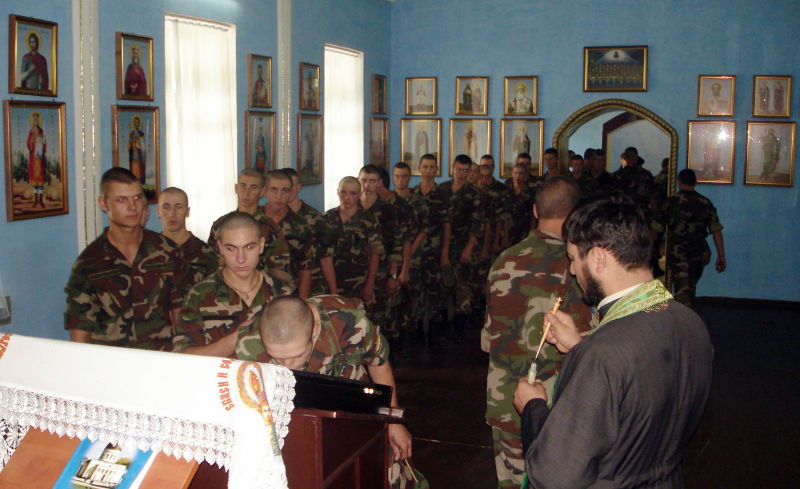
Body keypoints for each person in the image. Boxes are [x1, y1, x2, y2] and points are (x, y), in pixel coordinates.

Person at [513, 196, 713, 489]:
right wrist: (580, 346)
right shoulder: (691, 323)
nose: (572, 270)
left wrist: (533, 407)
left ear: (597, 258)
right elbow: (637, 393)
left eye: (573, 258)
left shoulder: (601, 354)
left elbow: (555, 475)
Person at [484, 176, 591, 489]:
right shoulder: (576, 267)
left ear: (534, 210)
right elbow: (587, 346)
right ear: (575, 215)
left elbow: (489, 338)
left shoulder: (503, 260)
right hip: (552, 403)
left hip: (504, 397)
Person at [235, 295, 413, 483]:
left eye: (297, 356)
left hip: (353, 411)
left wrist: (393, 422)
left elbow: (378, 363)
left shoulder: (348, 321)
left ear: (314, 331)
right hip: (295, 423)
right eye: (278, 359)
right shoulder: (250, 342)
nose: (289, 367)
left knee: (386, 472)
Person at [65, 168, 183, 350]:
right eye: (122, 200)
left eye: (137, 198)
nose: (132, 206)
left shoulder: (168, 251)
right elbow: (80, 338)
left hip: (161, 357)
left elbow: (181, 317)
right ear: (103, 203)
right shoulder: (89, 264)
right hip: (111, 361)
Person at [173, 212, 291, 356]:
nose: (241, 259)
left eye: (249, 247)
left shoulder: (283, 293)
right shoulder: (199, 296)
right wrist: (237, 339)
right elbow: (184, 357)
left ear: (261, 245)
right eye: (231, 249)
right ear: (220, 247)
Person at [652, 169, 726, 309]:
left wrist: (648, 250)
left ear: (679, 182)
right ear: (695, 183)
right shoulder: (705, 202)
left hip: (677, 253)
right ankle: (688, 315)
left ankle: (684, 318)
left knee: (682, 292)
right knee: (690, 289)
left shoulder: (671, 202)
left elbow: (656, 229)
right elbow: (716, 231)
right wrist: (721, 256)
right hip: (698, 253)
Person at [440, 155, 484, 342]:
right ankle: (443, 327)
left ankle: (459, 330)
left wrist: (469, 248)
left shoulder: (474, 193)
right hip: (442, 246)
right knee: (443, 288)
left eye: (466, 170)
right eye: (459, 169)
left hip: (463, 246)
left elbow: (477, 224)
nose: (462, 174)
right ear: (452, 168)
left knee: (463, 289)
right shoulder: (442, 190)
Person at [320, 177, 383, 302]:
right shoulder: (327, 218)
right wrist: (333, 292)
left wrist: (370, 284)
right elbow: (324, 255)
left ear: (359, 194)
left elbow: (375, 254)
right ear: (337, 192)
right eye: (343, 192)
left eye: (352, 193)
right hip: (329, 281)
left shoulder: (368, 220)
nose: (347, 197)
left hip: (359, 282)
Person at [261, 170, 318, 298]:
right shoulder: (253, 221)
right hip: (256, 294)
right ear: (265, 191)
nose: (279, 196)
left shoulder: (301, 227)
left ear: (291, 192)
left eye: (284, 191)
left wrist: (302, 303)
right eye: (274, 190)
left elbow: (306, 271)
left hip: (288, 294)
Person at [285, 168, 338, 296]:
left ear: (299, 187)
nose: (288, 191)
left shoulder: (316, 218)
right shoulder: (274, 216)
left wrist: (334, 293)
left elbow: (326, 258)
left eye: (291, 186)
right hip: (283, 288)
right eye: (284, 187)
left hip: (313, 287)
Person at [156, 187, 218, 295]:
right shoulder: (147, 251)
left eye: (178, 207)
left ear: (187, 212)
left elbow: (214, 295)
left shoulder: (206, 253)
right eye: (166, 207)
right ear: (158, 212)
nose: (172, 213)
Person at [207, 168, 267, 250]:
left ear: (262, 192)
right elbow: (211, 256)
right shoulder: (220, 224)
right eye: (243, 186)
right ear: (236, 188)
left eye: (253, 188)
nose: (246, 193)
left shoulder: (270, 227)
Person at [26, 111, 47, 208]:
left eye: (37, 120)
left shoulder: (41, 131)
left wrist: (43, 149)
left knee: (40, 179)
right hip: (33, 159)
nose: (36, 121)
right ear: (33, 121)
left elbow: (44, 143)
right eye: (34, 120)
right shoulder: (31, 132)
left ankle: (41, 200)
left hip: (40, 159)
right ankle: (35, 200)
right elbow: (28, 143)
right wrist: (31, 143)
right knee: (34, 179)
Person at [128, 115, 146, 184]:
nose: (136, 124)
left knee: (139, 169)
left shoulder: (141, 134)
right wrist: (131, 142)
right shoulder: (132, 134)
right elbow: (129, 146)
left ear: (139, 123)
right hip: (133, 155)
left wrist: (139, 146)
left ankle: (139, 182)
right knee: (134, 169)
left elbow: (143, 146)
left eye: (137, 122)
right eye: (135, 122)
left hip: (139, 155)